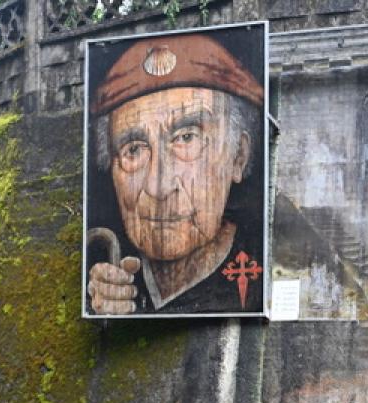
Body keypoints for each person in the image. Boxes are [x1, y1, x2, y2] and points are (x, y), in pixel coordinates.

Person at [87, 33, 264, 315]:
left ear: (238, 157)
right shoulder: (112, 271)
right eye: (134, 150)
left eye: (186, 138)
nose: (159, 187)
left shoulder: (259, 273)